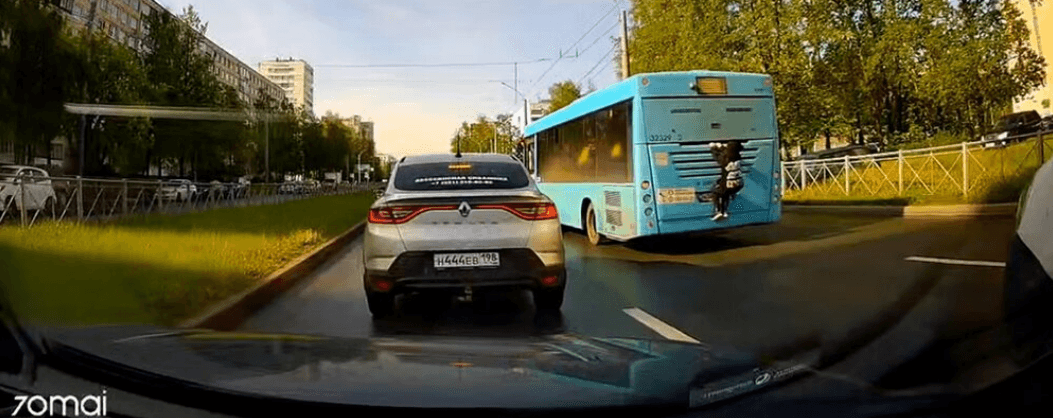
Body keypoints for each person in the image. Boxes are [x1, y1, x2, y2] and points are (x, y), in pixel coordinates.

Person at [710, 141, 745, 221]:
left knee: (717, 192)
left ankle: (719, 211)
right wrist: (723, 147)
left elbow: (717, 157)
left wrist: (714, 147)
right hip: (737, 184)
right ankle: (725, 211)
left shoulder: (726, 160)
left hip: (727, 184)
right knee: (726, 194)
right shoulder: (738, 158)